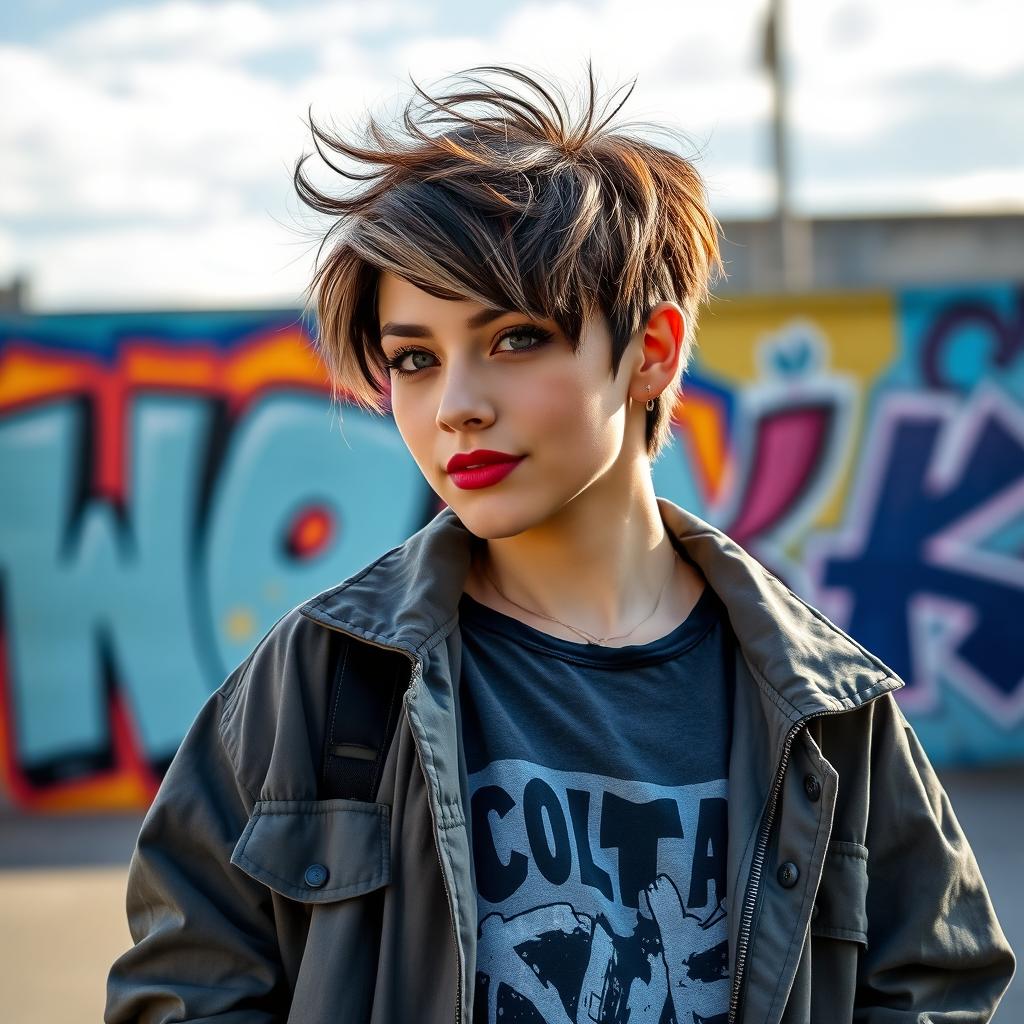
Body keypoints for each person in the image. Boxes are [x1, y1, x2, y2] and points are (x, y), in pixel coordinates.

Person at [105, 63, 1015, 1023]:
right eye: (415, 358)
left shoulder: (826, 714)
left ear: (651, 352)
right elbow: (187, 990)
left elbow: (934, 986)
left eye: (513, 340)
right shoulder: (321, 684)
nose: (456, 406)